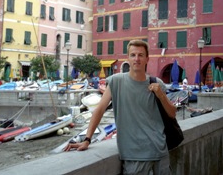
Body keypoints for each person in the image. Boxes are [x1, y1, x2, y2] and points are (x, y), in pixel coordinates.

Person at [64, 40, 177, 174]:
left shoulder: (157, 83)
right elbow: (99, 110)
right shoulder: (116, 81)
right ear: (127, 58)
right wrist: (87, 140)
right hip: (133, 155)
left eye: (141, 55)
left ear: (147, 58)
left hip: (160, 152)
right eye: (133, 55)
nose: (137, 59)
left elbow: (172, 113)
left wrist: (161, 95)